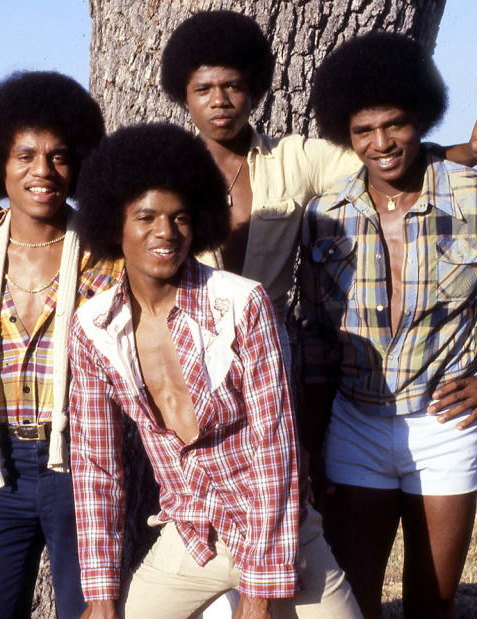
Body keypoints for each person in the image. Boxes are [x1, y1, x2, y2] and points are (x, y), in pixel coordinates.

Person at [300, 32, 477, 618]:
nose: (382, 143)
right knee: (351, 602)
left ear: (420, 119)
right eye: (364, 131)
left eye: (396, 124)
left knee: (431, 603)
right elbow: (314, 342)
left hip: (445, 426)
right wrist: (310, 445)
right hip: (354, 424)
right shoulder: (325, 216)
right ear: (346, 136)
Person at [68, 123, 361, 619]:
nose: (166, 233)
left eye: (180, 217)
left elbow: (275, 449)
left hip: (276, 527)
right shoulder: (93, 327)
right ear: (113, 224)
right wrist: (99, 599)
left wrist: (259, 591)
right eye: (146, 217)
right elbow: (96, 469)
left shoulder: (239, 303)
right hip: (191, 532)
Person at [159, 10, 477, 336]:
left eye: (232, 86)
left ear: (254, 92)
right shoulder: (163, 171)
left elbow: (388, 160)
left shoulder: (294, 159)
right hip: (185, 347)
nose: (219, 100)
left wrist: (472, 151)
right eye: (203, 89)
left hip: (267, 348)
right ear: (184, 96)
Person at [0, 71, 123, 619]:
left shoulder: (109, 257)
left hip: (84, 464)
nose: (42, 171)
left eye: (59, 156)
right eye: (25, 155)